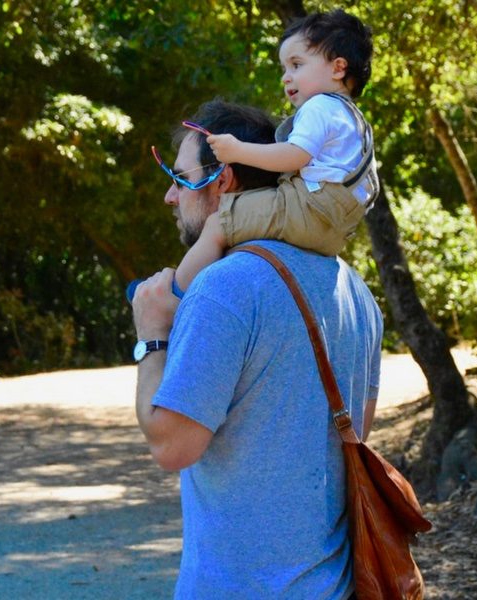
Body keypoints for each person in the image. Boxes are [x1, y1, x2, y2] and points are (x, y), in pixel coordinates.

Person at [131, 98, 383, 599]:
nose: (170, 196)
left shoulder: (223, 286)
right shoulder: (355, 290)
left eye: (179, 178)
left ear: (221, 179)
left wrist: (152, 336)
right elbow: (359, 430)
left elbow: (171, 445)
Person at [173, 9, 378, 293]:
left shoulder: (320, 107)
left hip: (309, 210)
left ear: (338, 68)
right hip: (336, 230)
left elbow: (294, 155)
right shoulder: (353, 120)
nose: (286, 77)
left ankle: (173, 296)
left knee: (218, 224)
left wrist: (237, 150)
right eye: (284, 68)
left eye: (296, 65)